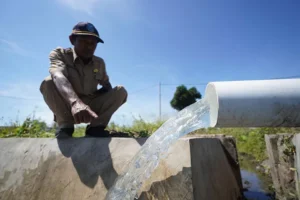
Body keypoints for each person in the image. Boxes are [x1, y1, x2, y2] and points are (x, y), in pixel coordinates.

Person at [40, 22, 127, 138]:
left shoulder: (99, 63)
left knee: (120, 91)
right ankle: (65, 127)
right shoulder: (60, 54)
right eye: (84, 41)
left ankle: (96, 128)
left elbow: (106, 85)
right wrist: (76, 103)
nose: (89, 46)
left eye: (93, 43)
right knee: (48, 82)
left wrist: (98, 97)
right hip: (67, 107)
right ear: (72, 40)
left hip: (91, 108)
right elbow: (57, 75)